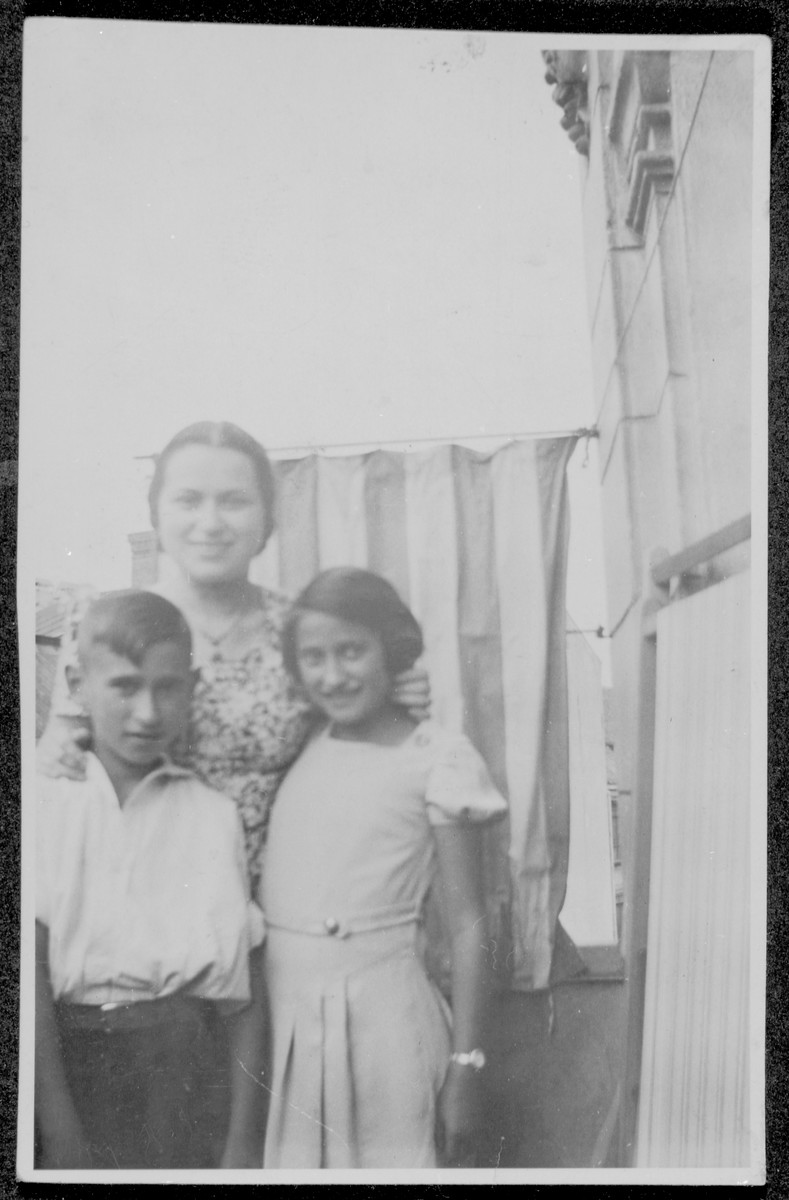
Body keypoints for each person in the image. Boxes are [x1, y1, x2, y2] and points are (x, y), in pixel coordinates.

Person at [38, 421, 429, 893]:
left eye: (234, 501)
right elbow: (60, 761)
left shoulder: (303, 628)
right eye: (189, 500)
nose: (211, 523)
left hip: (292, 892)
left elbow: (367, 740)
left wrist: (396, 691)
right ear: (157, 514)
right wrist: (61, 740)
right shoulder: (105, 623)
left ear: (266, 517)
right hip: (144, 898)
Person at [261, 567, 507, 1169]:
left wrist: (466, 1067)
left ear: (391, 651)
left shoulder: (435, 758)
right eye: (313, 657)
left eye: (352, 651)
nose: (333, 675)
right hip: (289, 1022)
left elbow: (471, 922)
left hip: (382, 1029)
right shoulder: (304, 743)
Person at [35, 590, 266, 1170]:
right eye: (125, 686)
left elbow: (244, 999)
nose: (147, 712)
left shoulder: (213, 816)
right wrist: (57, 1130)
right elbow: (26, 978)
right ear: (77, 682)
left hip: (188, 1077)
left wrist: (241, 1145)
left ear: (191, 689)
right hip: (73, 1069)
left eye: (167, 687)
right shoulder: (45, 803)